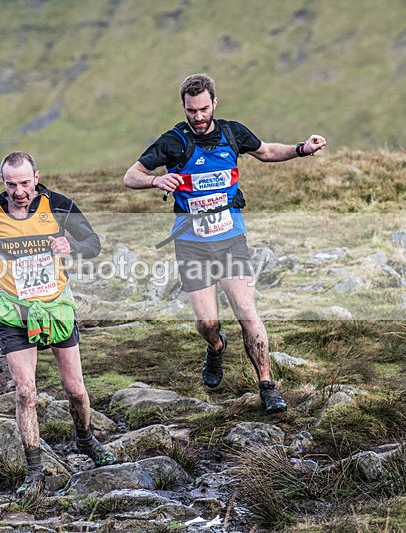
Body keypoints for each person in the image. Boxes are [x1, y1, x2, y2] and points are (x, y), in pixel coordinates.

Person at [123, 73, 326, 414]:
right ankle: (216, 347)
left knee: (248, 313)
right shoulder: (173, 141)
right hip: (191, 243)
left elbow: (266, 151)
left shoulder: (232, 133)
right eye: (191, 111)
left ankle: (267, 386)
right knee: (207, 324)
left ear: (214, 103)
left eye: (203, 109)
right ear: (184, 108)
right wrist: (157, 179)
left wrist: (302, 149)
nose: (198, 117)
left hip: (232, 239)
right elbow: (130, 176)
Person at [0, 151, 116, 497]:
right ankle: (34, 471)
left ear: (36, 177)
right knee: (25, 392)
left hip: (56, 307)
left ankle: (86, 440)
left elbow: (94, 244)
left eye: (24, 183)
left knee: (76, 390)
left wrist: (73, 245)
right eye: (10, 184)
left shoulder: (61, 205)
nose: (18, 191)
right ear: (2, 182)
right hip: (13, 311)